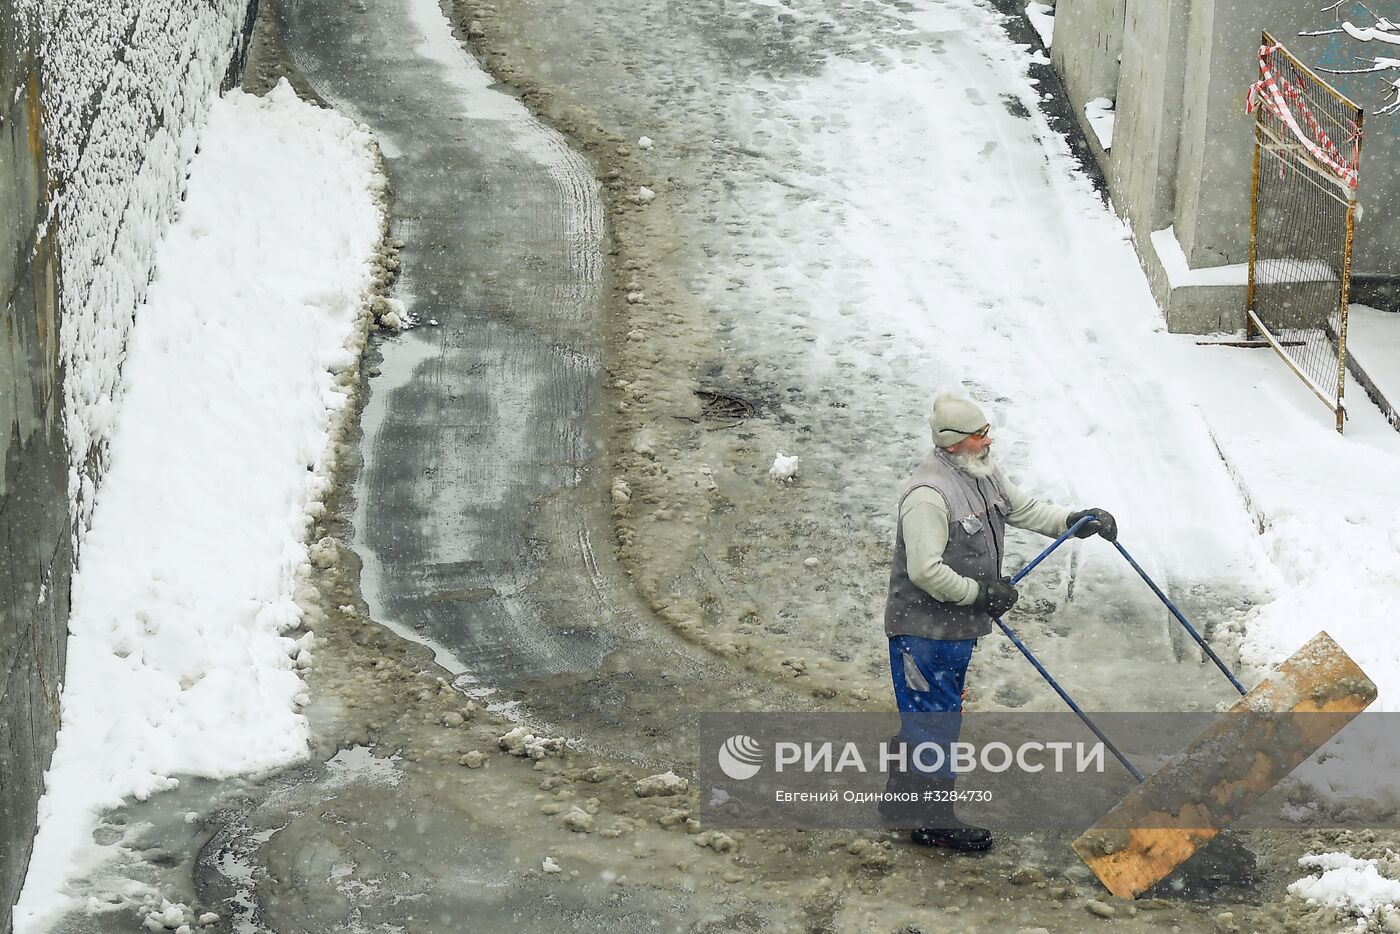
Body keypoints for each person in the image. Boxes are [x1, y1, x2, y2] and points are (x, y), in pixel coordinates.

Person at [880, 392, 1117, 852]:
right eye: (978, 435)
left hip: (955, 628)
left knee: (932, 716)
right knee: (935, 722)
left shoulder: (982, 473)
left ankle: (902, 803)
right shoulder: (928, 496)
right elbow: (924, 571)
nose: (989, 440)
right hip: (922, 633)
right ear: (952, 444)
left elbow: (1024, 509)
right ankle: (931, 820)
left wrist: (1074, 521)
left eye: (987, 430)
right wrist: (978, 593)